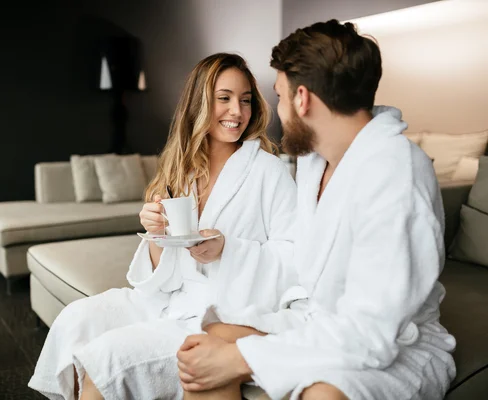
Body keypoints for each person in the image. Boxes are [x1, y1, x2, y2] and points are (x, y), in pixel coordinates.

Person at [177, 20, 456, 400]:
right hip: (319, 321)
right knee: (208, 343)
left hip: (396, 345)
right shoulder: (313, 162)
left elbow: (370, 333)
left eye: (279, 96)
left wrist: (243, 358)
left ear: (302, 98)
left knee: (322, 394)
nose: (277, 111)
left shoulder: (395, 174)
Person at [28, 53, 299, 400]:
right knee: (76, 320)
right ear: (198, 103)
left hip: (218, 312)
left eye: (245, 100)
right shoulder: (181, 170)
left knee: (107, 358)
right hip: (168, 300)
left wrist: (227, 249)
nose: (237, 111)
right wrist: (156, 235)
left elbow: (294, 257)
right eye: (224, 98)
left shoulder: (268, 171)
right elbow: (163, 275)